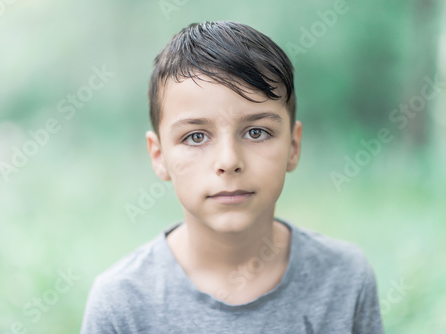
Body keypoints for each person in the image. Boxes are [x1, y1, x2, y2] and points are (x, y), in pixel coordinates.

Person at [81, 21, 384, 333]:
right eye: (196, 137)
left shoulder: (345, 279)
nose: (229, 161)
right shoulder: (121, 303)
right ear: (159, 156)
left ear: (293, 146)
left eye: (256, 132)